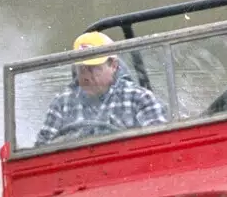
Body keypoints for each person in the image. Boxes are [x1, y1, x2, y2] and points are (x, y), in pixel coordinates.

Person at [36, 31, 166, 145]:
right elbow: (40, 153)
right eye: (81, 69)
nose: (85, 76)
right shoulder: (61, 103)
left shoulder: (140, 98)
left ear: (113, 66)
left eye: (93, 68)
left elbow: (160, 146)